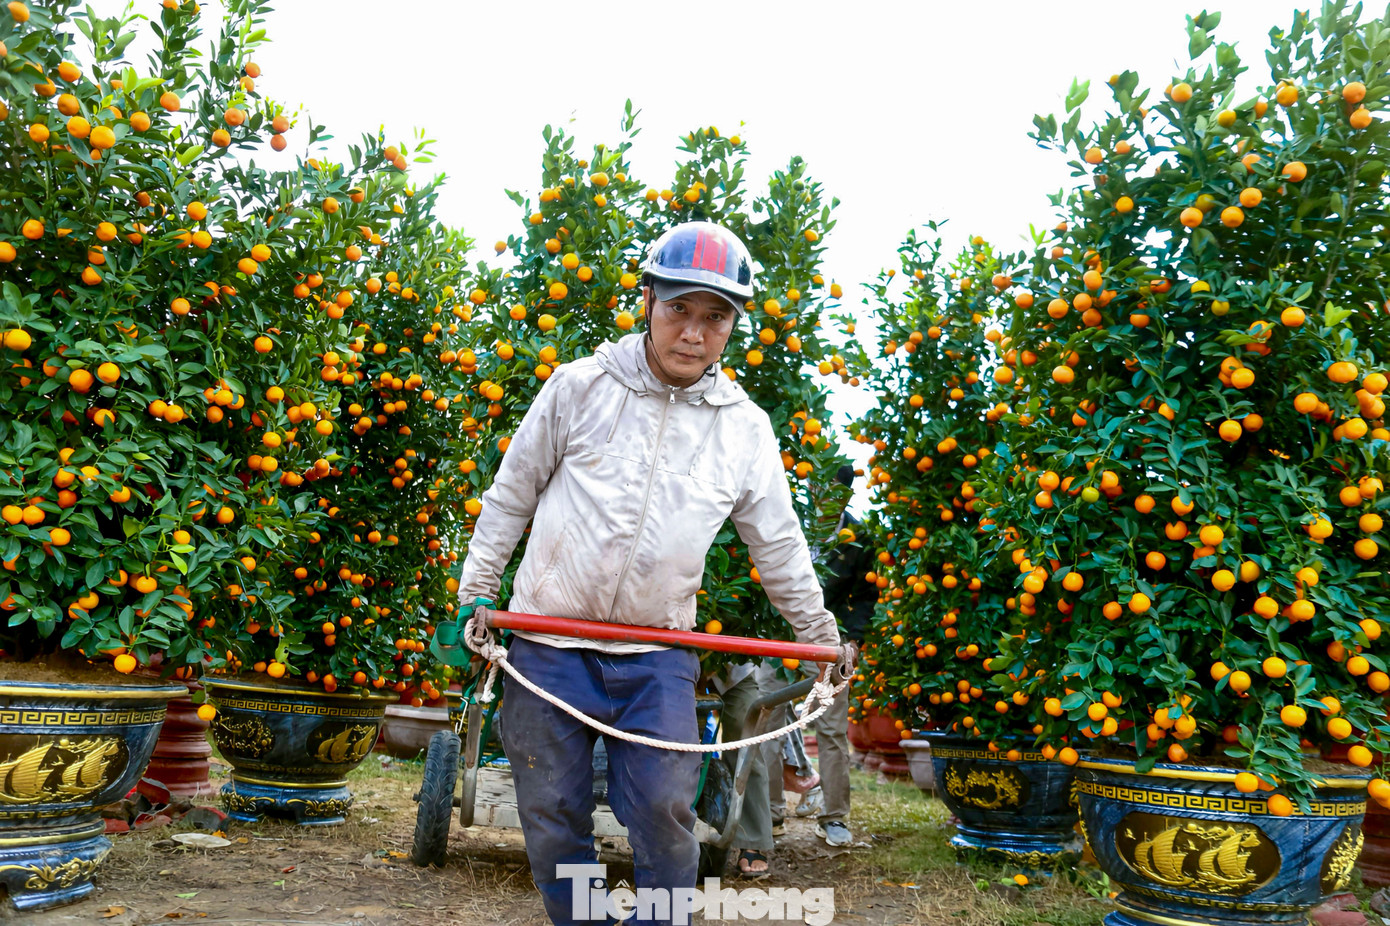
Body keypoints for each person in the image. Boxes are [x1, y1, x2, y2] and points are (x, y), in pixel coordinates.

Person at [455, 221, 857, 926]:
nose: (694, 333)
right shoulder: (578, 387)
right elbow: (511, 494)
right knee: (551, 813)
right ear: (647, 301)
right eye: (679, 309)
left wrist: (820, 635)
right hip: (547, 643)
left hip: (656, 654)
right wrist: (478, 592)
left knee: (668, 815)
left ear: (732, 326)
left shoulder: (744, 428)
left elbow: (780, 546)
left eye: (715, 317)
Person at [804, 464, 877, 847]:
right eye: (820, 493)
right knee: (765, 723)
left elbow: (866, 596)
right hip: (781, 639)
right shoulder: (790, 526)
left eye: (835, 495)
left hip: (832, 643)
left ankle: (833, 817)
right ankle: (768, 816)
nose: (826, 502)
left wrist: (854, 640)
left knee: (831, 728)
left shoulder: (858, 538)